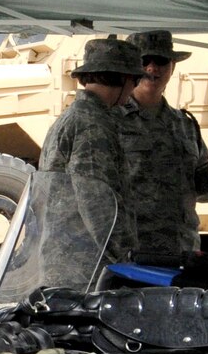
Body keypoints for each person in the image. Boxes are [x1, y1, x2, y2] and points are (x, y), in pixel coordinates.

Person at [120, 29, 208, 265]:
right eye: (145, 61)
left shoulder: (184, 124)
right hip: (134, 252)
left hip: (182, 250)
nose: (153, 69)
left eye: (161, 61)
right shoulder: (112, 121)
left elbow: (205, 192)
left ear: (172, 66)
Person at [34, 36, 142, 288]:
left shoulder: (74, 116)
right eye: (135, 80)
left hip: (68, 262)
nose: (134, 89)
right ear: (122, 78)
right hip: (87, 269)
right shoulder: (92, 124)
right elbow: (97, 203)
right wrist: (127, 262)